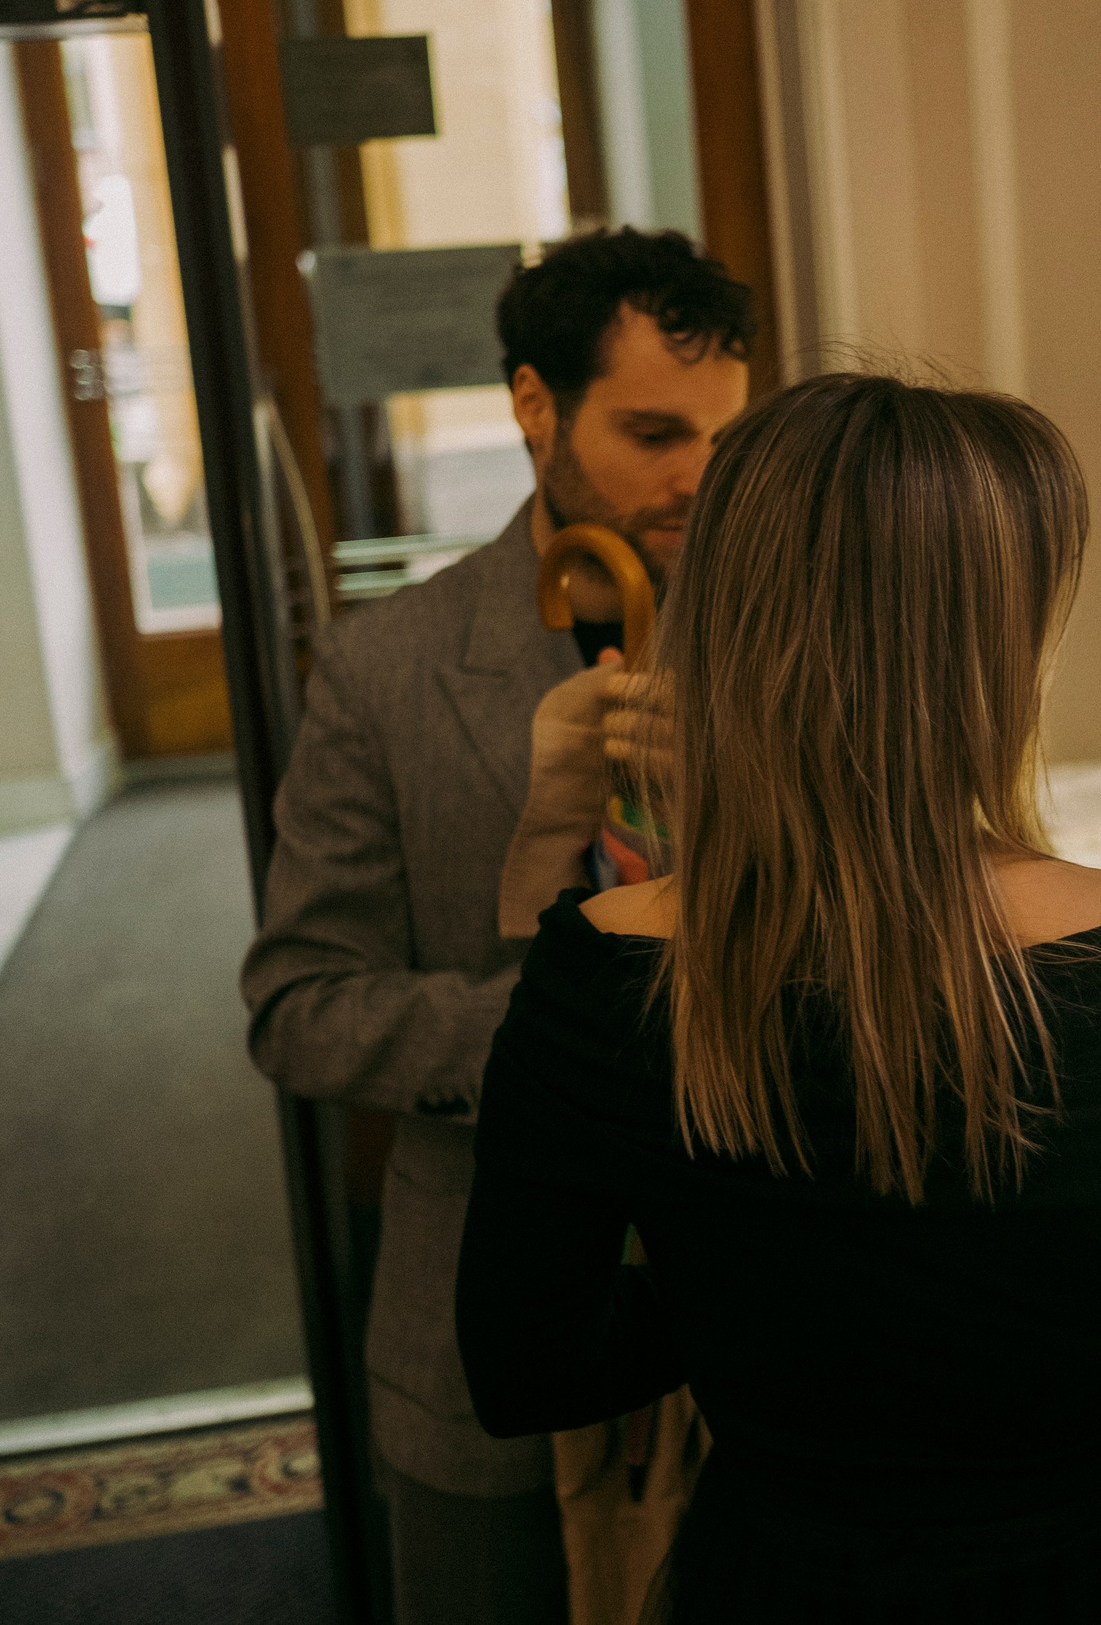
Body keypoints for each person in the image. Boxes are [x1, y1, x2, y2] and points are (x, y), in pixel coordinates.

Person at [456, 374, 1101, 1623]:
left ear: (727, 631)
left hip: (771, 1583)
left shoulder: (598, 974)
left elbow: (523, 1365)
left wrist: (750, 1299)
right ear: (993, 655)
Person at [242, 228, 754, 1625]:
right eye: (654, 431)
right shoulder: (387, 667)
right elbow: (299, 1004)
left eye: (722, 434)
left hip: (755, 1315)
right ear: (535, 405)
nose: (699, 474)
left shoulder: (774, 640)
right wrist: (569, 1038)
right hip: (479, 1335)